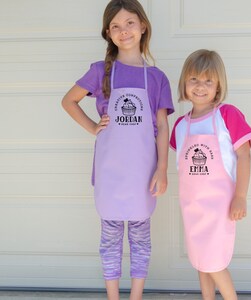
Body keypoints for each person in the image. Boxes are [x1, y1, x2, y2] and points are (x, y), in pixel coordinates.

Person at [61, 1, 174, 299]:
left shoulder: (157, 78)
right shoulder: (100, 72)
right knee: (110, 241)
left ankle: (135, 296)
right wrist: (92, 127)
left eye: (130, 23)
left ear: (143, 26)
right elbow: (68, 101)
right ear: (108, 33)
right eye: (116, 26)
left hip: (143, 175)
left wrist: (162, 169)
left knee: (140, 241)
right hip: (111, 174)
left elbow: (162, 127)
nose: (123, 31)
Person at [170, 49, 251, 300]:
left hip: (219, 208)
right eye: (194, 79)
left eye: (209, 81)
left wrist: (240, 196)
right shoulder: (181, 125)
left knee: (215, 263)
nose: (200, 86)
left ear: (218, 86)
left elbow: (244, 156)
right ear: (184, 83)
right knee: (200, 260)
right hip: (193, 207)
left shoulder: (227, 115)